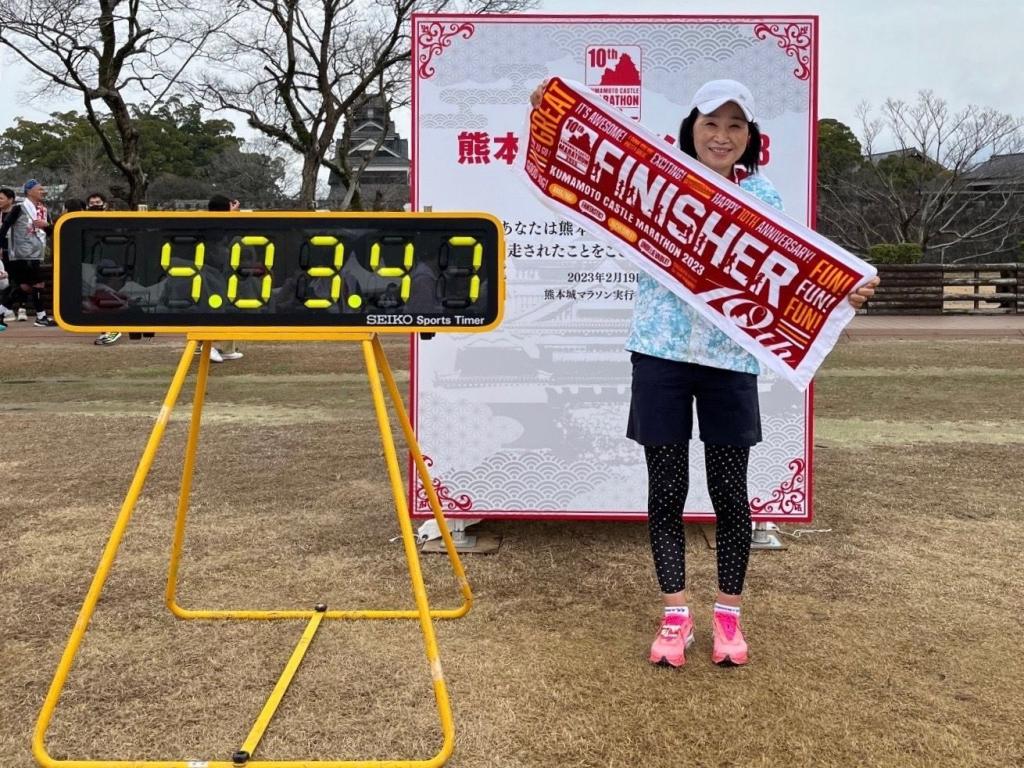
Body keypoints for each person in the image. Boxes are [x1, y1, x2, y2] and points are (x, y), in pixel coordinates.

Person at [531, 79, 878, 668]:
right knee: (665, 490)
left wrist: (847, 289)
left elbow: (793, 270)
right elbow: (596, 170)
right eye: (711, 123)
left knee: (729, 492)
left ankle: (727, 617)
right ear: (691, 126)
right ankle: (674, 616)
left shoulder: (763, 199)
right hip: (660, 354)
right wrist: (552, 115)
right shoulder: (659, 182)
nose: (722, 136)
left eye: (735, 125)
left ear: (751, 136)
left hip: (729, 362)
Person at [0, 179, 57, 326]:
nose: (42, 192)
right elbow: (5, 226)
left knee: (25, 286)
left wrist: (46, 226)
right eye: (39, 189)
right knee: (37, 284)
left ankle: (1, 311)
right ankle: (41, 316)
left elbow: (50, 232)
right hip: (21, 253)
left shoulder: (43, 210)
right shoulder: (19, 208)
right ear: (29, 191)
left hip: (36, 252)